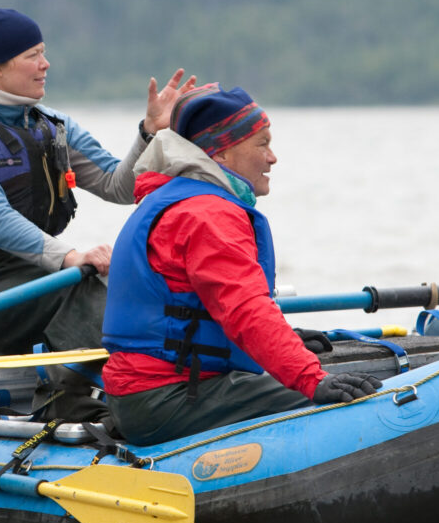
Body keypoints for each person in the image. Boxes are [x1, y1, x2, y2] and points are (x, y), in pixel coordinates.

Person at [0, 3, 195, 420]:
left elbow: (118, 186)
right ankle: (72, 400)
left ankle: (176, 370)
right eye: (32, 55)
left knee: (138, 276)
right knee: (80, 285)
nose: (46, 64)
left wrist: (149, 135)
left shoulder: (53, 126)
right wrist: (71, 258)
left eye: (43, 52)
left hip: (37, 274)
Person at [101, 83, 381, 445]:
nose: (272, 157)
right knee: (352, 406)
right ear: (220, 155)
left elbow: (208, 309)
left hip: (149, 390)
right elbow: (245, 309)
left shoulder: (182, 198)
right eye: (261, 143)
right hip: (166, 397)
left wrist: (285, 342)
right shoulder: (207, 214)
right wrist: (313, 379)